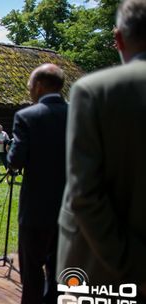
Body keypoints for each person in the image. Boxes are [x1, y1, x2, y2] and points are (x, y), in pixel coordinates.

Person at [58, 0, 146, 299]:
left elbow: (84, 192)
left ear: (118, 38)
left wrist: (131, 265)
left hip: (100, 266)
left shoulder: (95, 90)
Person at [7, 63, 68, 304]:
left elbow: (15, 161)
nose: (29, 89)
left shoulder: (27, 116)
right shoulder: (79, 113)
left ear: (40, 86)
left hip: (36, 208)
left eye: (30, 85)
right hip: (70, 207)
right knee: (60, 271)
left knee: (32, 272)